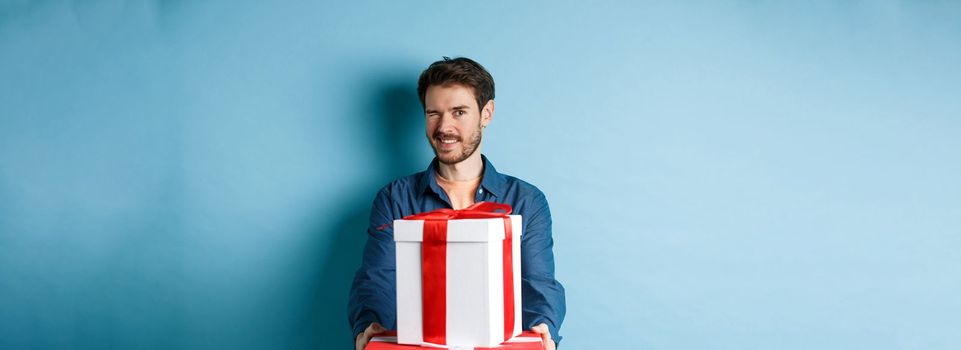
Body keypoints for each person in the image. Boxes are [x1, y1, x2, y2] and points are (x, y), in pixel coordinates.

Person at [348, 57, 566, 350]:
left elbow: (538, 281)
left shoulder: (525, 200)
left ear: (486, 113)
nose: (444, 127)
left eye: (459, 112)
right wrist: (370, 326)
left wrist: (543, 326)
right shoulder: (395, 198)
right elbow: (378, 278)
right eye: (433, 113)